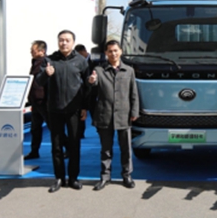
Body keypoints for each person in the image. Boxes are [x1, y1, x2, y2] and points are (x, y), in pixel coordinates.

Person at [36, 30, 90, 193]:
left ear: (73, 42)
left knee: (74, 144)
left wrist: (84, 107)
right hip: (55, 109)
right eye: (61, 40)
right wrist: (46, 74)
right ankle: (59, 178)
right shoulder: (50, 60)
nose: (64, 43)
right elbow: (38, 81)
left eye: (67, 40)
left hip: (74, 110)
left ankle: (73, 178)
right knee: (57, 146)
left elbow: (87, 85)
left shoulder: (80, 61)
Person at [87, 40, 139, 190]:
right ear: (106, 53)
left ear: (121, 51)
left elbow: (133, 93)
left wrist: (134, 111)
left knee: (126, 149)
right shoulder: (99, 70)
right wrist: (91, 81)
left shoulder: (129, 70)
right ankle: (105, 176)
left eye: (115, 50)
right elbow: (92, 88)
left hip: (124, 115)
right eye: (110, 51)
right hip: (105, 114)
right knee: (106, 149)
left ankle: (127, 175)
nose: (113, 53)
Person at [24, 40, 48, 160]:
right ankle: (34, 151)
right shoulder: (35, 62)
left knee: (53, 127)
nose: (31, 53)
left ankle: (67, 147)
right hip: (35, 101)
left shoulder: (45, 63)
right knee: (35, 128)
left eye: (33, 50)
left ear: (41, 51)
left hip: (43, 101)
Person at [75, 43, 95, 139]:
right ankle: (80, 133)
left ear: (84, 51)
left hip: (94, 92)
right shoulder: (77, 62)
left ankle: (101, 131)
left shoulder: (94, 60)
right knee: (81, 113)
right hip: (82, 91)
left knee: (95, 113)